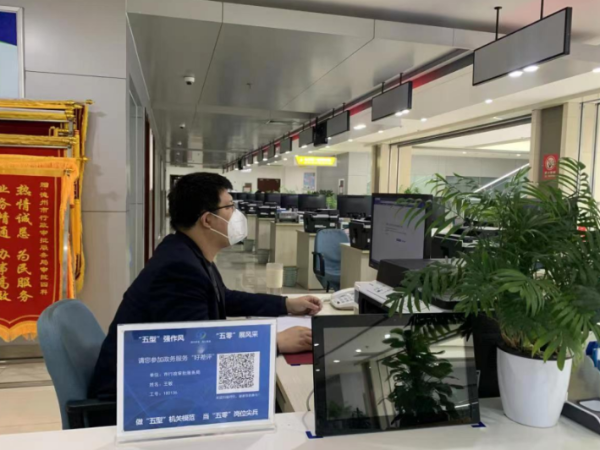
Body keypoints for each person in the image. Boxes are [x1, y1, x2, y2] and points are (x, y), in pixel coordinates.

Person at [88, 173, 320, 401]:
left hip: (160, 383)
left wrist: (286, 304)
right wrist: (274, 342)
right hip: (137, 400)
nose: (237, 214)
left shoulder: (186, 252)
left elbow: (224, 298)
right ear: (207, 220)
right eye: (229, 207)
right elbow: (200, 352)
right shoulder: (178, 269)